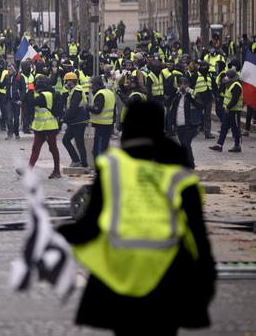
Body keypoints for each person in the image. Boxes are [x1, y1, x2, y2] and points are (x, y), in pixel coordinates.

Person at [58, 101, 215, 335]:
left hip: (122, 274)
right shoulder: (180, 176)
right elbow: (198, 235)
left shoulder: (112, 167)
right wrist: (205, 276)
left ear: (128, 127)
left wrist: (57, 234)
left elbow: (90, 226)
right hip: (169, 276)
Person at [27, 75, 61, 178]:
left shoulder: (45, 95)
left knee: (52, 149)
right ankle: (29, 170)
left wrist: (30, 90)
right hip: (41, 127)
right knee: (37, 149)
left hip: (48, 127)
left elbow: (31, 102)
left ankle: (56, 171)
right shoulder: (47, 93)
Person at [169, 77, 203, 169]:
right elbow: (168, 104)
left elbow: (200, 106)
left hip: (191, 124)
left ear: (188, 84)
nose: (183, 86)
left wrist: (189, 96)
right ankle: (189, 163)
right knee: (183, 144)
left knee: (186, 143)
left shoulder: (193, 93)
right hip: (179, 124)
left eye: (185, 83)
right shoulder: (177, 94)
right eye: (181, 83)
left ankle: (189, 164)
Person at [209, 67, 243, 153]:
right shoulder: (229, 83)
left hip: (234, 110)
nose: (226, 77)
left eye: (227, 76)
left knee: (235, 128)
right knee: (224, 127)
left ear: (231, 77)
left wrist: (228, 107)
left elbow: (235, 99)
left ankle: (237, 145)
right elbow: (224, 94)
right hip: (228, 110)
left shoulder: (236, 85)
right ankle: (219, 145)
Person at [61, 72, 89, 168]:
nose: (65, 82)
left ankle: (83, 163)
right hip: (75, 120)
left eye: (66, 81)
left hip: (78, 120)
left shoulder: (77, 90)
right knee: (66, 140)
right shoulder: (73, 90)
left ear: (71, 81)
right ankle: (77, 160)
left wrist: (64, 119)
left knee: (79, 142)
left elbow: (73, 107)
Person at [88, 76, 115, 158]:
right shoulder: (109, 92)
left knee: (98, 151)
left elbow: (97, 109)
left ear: (96, 84)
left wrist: (88, 107)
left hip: (101, 126)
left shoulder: (100, 94)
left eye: (92, 84)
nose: (91, 86)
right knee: (103, 148)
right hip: (108, 124)